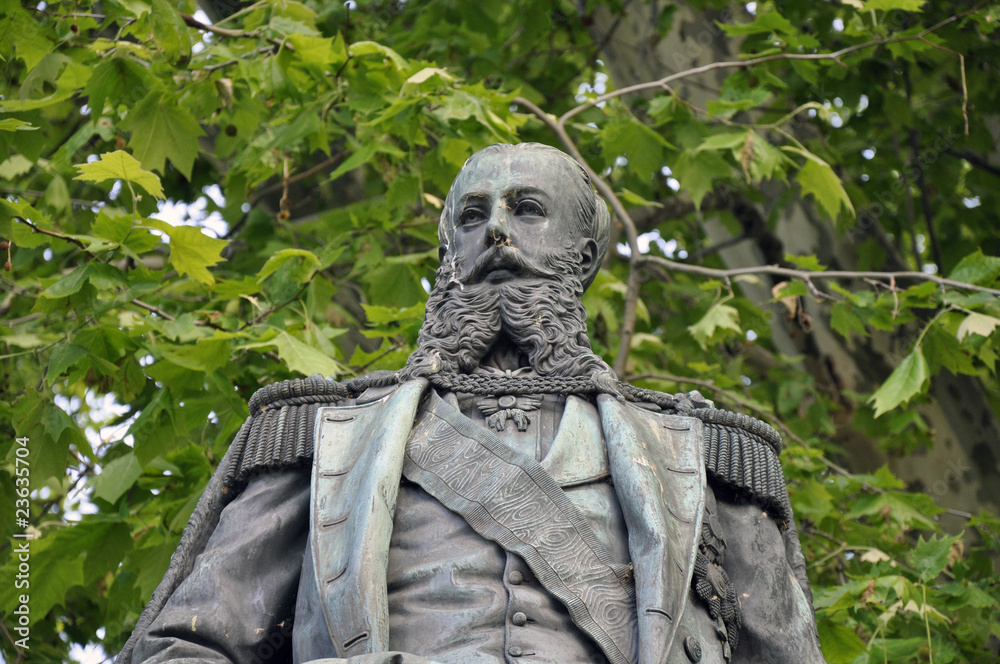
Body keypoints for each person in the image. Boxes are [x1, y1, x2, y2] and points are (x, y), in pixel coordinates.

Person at [119, 143, 826, 664]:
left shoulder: (698, 460)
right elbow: (187, 646)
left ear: (583, 257)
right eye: (472, 215)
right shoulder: (325, 440)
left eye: (526, 210)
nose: (496, 231)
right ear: (448, 254)